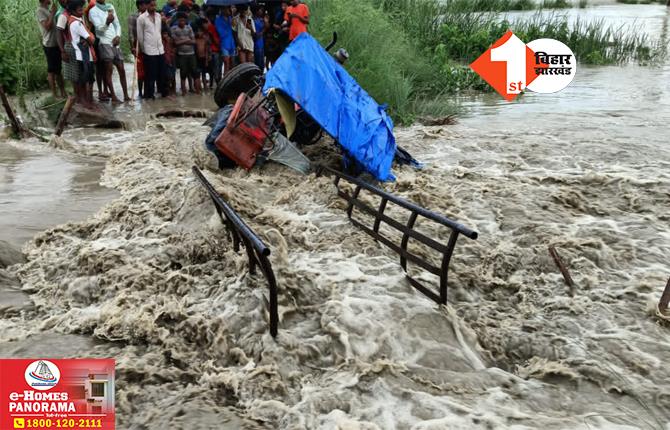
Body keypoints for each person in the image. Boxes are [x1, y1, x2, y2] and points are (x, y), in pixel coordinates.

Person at [89, 0, 130, 103]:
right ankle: (114, 97)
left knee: (122, 69)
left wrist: (118, 36)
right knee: (109, 70)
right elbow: (99, 29)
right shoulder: (93, 11)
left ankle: (126, 96)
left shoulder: (110, 6)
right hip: (104, 42)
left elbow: (117, 24)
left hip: (115, 42)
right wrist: (107, 22)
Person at [68, 0, 96, 109]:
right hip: (82, 55)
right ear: (73, 11)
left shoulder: (75, 21)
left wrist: (89, 36)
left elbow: (89, 37)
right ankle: (84, 101)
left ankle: (82, 100)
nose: (82, 11)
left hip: (81, 54)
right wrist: (90, 36)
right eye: (80, 10)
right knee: (83, 81)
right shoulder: (77, 23)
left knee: (83, 80)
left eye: (82, 8)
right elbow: (92, 40)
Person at [37, 0, 66, 98]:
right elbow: (47, 27)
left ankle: (62, 92)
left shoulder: (47, 10)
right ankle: (55, 94)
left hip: (55, 44)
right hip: (49, 44)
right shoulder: (40, 11)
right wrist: (53, 13)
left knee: (58, 69)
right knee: (52, 70)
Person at [137, 0, 166, 99]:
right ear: (147, 5)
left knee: (162, 73)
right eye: (151, 5)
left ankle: (162, 94)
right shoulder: (141, 18)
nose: (153, 7)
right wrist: (143, 49)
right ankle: (149, 96)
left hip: (160, 49)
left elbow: (159, 32)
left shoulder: (158, 16)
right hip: (149, 51)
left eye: (155, 5)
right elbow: (140, 37)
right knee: (150, 75)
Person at [173, 12, 199, 95]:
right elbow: (175, 43)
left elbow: (194, 41)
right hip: (181, 55)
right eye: (180, 21)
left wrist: (181, 40)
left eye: (183, 21)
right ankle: (184, 92)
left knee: (195, 73)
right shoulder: (174, 29)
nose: (182, 22)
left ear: (186, 21)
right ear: (177, 20)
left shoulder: (189, 28)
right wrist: (187, 40)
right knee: (183, 74)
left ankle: (197, 92)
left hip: (191, 54)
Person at [128, 0, 147, 98]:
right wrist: (132, 47)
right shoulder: (133, 16)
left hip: (149, 45)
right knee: (140, 71)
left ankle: (148, 92)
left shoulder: (149, 15)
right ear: (140, 6)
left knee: (149, 69)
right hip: (138, 45)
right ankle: (140, 92)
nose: (146, 6)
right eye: (145, 5)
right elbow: (131, 33)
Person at [214, 7, 235, 75]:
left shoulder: (230, 19)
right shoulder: (218, 20)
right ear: (223, 10)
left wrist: (232, 16)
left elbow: (234, 28)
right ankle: (225, 79)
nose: (229, 10)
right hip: (224, 43)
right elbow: (220, 32)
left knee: (232, 62)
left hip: (231, 43)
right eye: (227, 9)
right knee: (226, 62)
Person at [205, 11, 221, 87]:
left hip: (215, 50)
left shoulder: (211, 26)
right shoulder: (212, 27)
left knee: (214, 69)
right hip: (215, 50)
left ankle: (212, 84)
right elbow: (212, 40)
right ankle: (217, 84)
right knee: (216, 69)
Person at [162, 25, 176, 97]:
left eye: (166, 34)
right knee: (167, 77)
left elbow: (174, 48)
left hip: (171, 59)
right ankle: (167, 91)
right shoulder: (161, 41)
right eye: (163, 34)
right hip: (164, 60)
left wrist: (172, 53)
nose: (165, 35)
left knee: (172, 76)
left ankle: (173, 90)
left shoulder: (171, 40)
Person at [195, 23, 210, 89]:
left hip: (204, 58)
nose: (200, 33)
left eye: (201, 32)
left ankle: (205, 86)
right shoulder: (195, 41)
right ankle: (198, 87)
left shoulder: (205, 40)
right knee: (197, 73)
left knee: (204, 73)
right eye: (198, 32)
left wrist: (206, 60)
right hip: (197, 59)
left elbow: (206, 51)